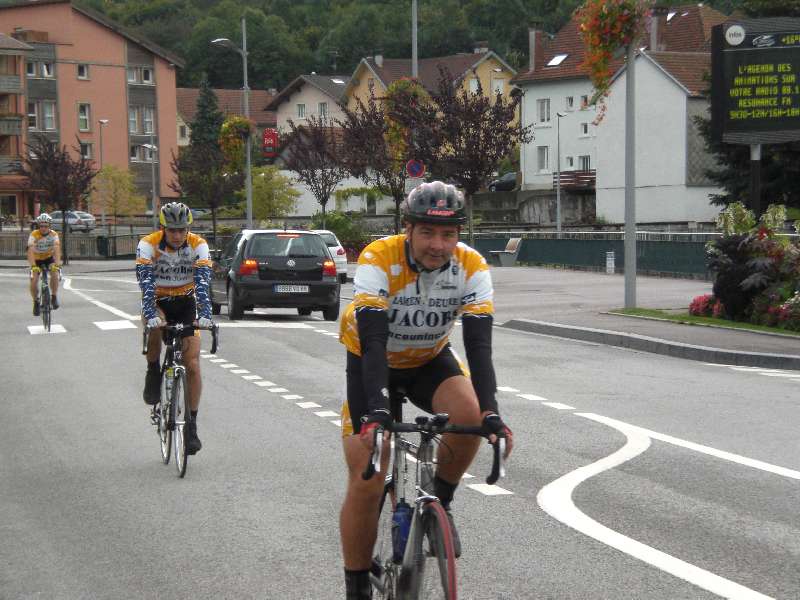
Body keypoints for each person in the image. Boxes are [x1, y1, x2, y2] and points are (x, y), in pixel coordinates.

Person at [338, 181, 514, 599]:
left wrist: (491, 413)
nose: (438, 244)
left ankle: (442, 502)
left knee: (469, 417)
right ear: (408, 230)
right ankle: (357, 584)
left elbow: (479, 346)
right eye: (428, 233)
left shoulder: (470, 266)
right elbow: (375, 338)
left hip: (428, 359)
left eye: (449, 234)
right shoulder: (379, 257)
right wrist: (379, 412)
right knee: (368, 473)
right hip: (371, 359)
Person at [135, 202, 213, 455]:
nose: (177, 235)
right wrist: (150, 314)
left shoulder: (199, 245)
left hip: (186, 301)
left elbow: (203, 283)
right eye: (172, 230)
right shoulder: (148, 244)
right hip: (158, 300)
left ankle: (191, 424)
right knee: (155, 326)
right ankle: (152, 370)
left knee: (192, 364)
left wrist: (206, 315)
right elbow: (145, 283)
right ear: (163, 228)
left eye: (181, 230)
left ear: (188, 228)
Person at [27, 213, 61, 315]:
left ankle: (54, 297)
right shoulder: (34, 234)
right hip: (36, 260)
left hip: (48, 258)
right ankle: (36, 302)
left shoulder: (54, 234)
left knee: (54, 272)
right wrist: (33, 266)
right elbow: (30, 251)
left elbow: (57, 249)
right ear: (39, 226)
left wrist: (57, 264)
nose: (43, 228)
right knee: (34, 280)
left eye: (46, 226)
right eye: (41, 226)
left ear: (49, 226)